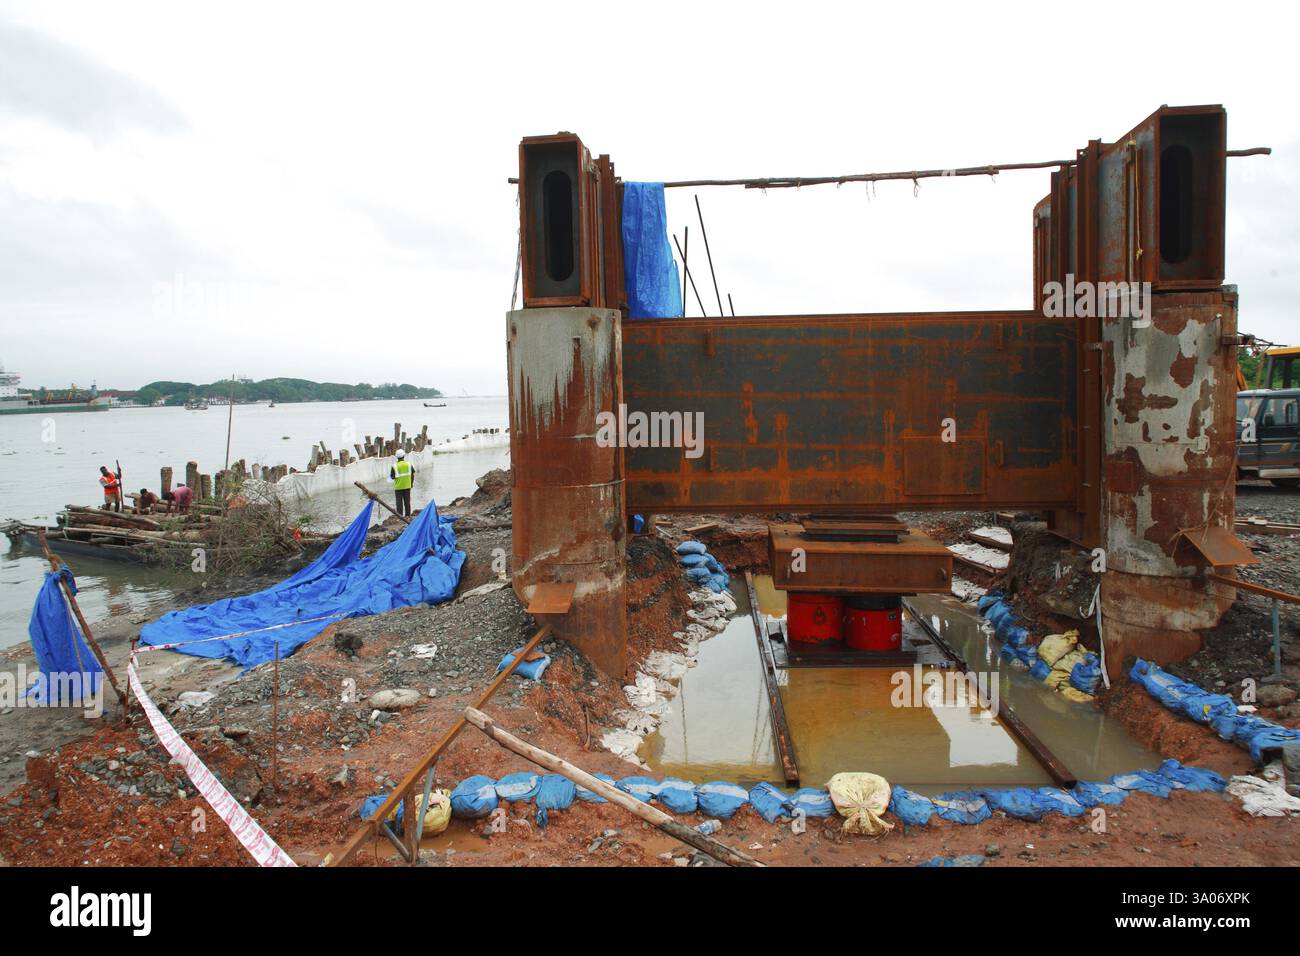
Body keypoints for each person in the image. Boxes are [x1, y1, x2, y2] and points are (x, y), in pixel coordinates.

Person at [388, 448, 414, 517]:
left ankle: (400, 517)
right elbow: (412, 474)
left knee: (399, 503)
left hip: (398, 487)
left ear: (397, 457)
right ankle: (408, 516)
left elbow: (392, 477)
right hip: (407, 486)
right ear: (404, 456)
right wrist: (411, 484)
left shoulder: (394, 466)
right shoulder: (408, 464)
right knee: (407, 502)